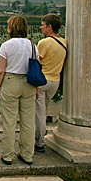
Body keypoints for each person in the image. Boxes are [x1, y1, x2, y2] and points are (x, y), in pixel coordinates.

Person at [0, 16, 38, 165]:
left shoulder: (6, 45)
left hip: (11, 81)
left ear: (11, 28)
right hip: (29, 83)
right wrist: (36, 89)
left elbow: (1, 70)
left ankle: (7, 155)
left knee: (9, 121)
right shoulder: (33, 46)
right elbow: (36, 68)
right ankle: (27, 154)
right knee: (28, 122)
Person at [35, 13, 67, 153]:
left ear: (50, 27)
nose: (41, 27)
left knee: (39, 113)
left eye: (43, 25)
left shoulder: (44, 43)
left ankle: (39, 142)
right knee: (44, 110)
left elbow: (37, 62)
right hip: (55, 81)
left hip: (42, 80)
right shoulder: (64, 43)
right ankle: (41, 138)